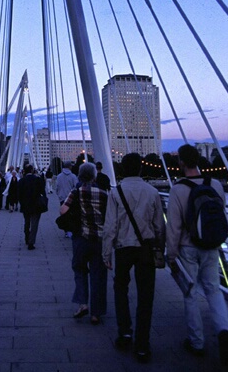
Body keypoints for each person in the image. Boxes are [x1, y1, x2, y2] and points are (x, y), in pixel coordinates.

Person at [166, 144, 228, 365]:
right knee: (214, 290)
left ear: (181, 162)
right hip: (211, 246)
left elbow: (173, 227)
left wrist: (170, 255)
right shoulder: (216, 185)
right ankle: (224, 330)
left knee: (190, 294)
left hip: (188, 249)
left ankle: (197, 342)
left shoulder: (178, 189)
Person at [102, 152, 165, 363]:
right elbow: (159, 226)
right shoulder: (153, 192)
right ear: (140, 168)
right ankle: (142, 344)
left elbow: (110, 226)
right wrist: (159, 248)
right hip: (145, 248)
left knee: (120, 289)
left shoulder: (116, 192)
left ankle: (125, 331)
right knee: (146, 296)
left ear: (121, 169)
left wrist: (106, 253)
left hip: (122, 248)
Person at [60, 162, 108, 324]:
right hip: (100, 240)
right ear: (95, 176)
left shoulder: (76, 192)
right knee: (98, 275)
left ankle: (82, 304)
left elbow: (63, 211)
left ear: (80, 176)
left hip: (81, 238)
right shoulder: (104, 194)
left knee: (79, 270)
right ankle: (96, 313)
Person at [18, 164, 46, 250]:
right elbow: (43, 192)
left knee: (27, 222)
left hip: (25, 205)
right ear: (32, 171)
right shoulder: (38, 180)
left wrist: (21, 203)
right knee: (34, 224)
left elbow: (18, 195)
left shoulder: (21, 181)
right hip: (36, 205)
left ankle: (26, 237)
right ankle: (31, 241)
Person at [56, 161, 79, 237]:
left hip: (62, 198)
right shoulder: (73, 176)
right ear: (69, 167)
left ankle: (66, 230)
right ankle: (70, 230)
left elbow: (57, 187)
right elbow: (76, 186)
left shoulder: (59, 176)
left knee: (64, 214)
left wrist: (59, 194)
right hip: (71, 198)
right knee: (71, 214)